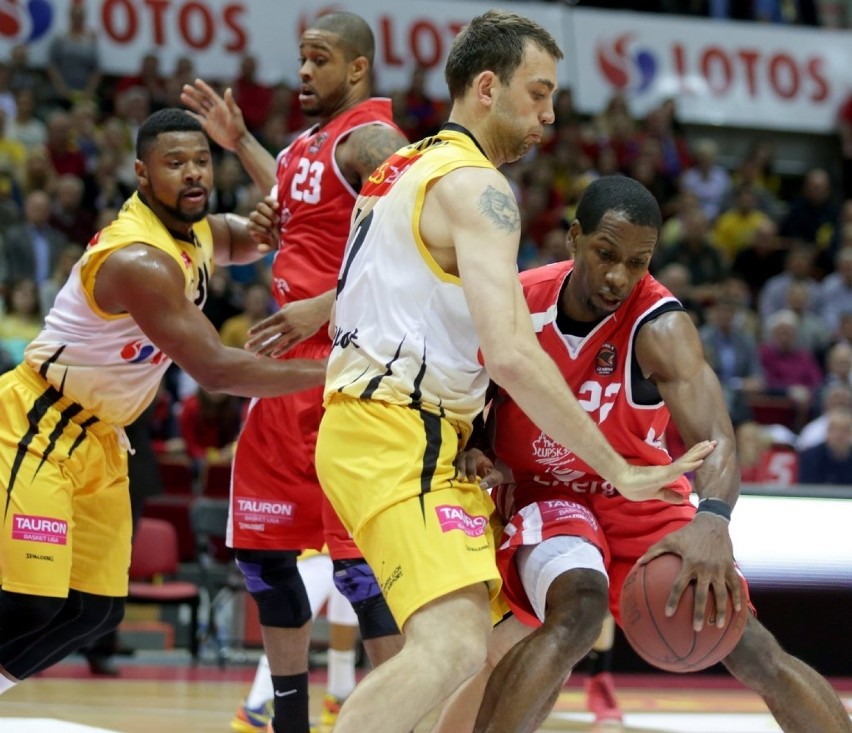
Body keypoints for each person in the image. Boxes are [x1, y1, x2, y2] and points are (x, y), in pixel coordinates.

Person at [314, 14, 712, 733]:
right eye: (539, 94)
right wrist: (617, 469)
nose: (549, 115)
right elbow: (511, 354)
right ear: (488, 86)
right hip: (398, 429)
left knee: (512, 627)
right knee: (452, 645)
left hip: (392, 424)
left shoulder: (401, 168)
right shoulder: (481, 190)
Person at [432, 175, 852, 733]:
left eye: (637, 262)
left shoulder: (662, 326)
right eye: (606, 254)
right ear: (573, 238)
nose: (617, 277)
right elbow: (466, 399)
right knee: (576, 614)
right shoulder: (516, 301)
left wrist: (712, 522)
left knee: (751, 647)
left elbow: (717, 439)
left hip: (643, 497)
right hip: (545, 493)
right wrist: (477, 447)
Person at [0, 108, 327, 695]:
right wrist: (337, 371)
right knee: (30, 601)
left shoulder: (199, 231)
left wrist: (245, 147)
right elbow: (217, 369)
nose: (194, 173)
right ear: (142, 175)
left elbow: (280, 219)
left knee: (94, 612)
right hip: (38, 421)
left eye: (202, 160)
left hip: (102, 439)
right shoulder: (140, 259)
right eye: (175, 164)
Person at [181, 12, 411, 733]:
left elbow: (428, 250)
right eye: (301, 58)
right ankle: (287, 724)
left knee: (362, 572)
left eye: (321, 59)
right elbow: (293, 186)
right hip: (284, 375)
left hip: (350, 366)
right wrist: (239, 142)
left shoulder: (375, 140)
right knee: (266, 558)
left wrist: (323, 305)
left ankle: (396, 717)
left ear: (359, 69)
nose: (304, 71)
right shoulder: (312, 143)